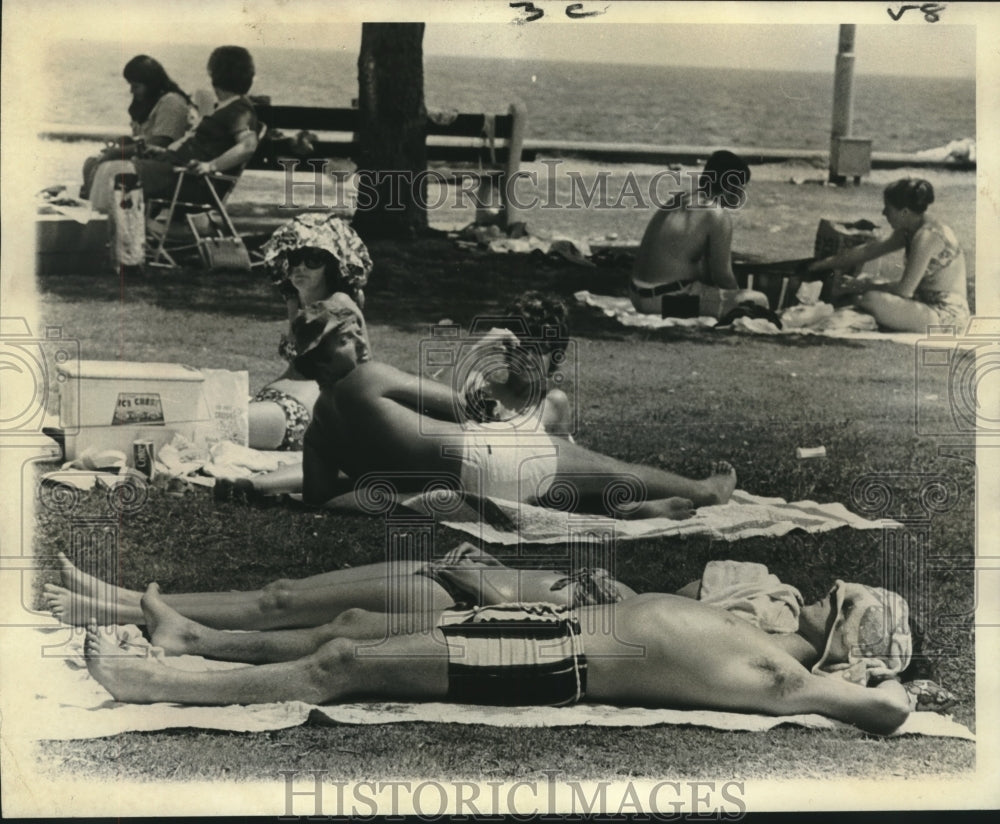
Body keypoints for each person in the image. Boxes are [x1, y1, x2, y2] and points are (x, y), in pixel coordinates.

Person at [78, 575, 913, 735]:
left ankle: (155, 682)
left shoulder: (789, 679)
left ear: (841, 632)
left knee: (344, 668)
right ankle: (190, 651)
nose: (817, 592)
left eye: (835, 601)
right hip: (549, 636)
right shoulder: (760, 630)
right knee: (351, 641)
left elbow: (888, 710)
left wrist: (870, 682)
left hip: (557, 662)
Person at [293, 296, 736, 518]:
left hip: (461, 492)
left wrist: (398, 490)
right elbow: (467, 408)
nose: (363, 341)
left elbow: (318, 496)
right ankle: (704, 490)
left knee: (565, 482)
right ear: (326, 355)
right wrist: (482, 349)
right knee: (606, 467)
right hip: (486, 457)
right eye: (348, 337)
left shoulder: (318, 428)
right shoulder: (369, 378)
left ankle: (635, 507)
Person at [806, 178, 970, 332]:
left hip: (946, 315)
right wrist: (822, 264)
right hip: (924, 303)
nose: (884, 213)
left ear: (904, 212)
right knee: (870, 284)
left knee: (872, 298)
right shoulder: (911, 230)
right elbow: (869, 250)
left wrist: (861, 286)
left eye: (888, 208)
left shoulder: (927, 236)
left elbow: (904, 290)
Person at [630, 150, 761, 316]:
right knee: (756, 301)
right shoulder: (716, 214)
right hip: (665, 304)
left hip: (636, 296)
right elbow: (723, 277)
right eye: (742, 188)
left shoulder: (680, 198)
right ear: (730, 186)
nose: (743, 195)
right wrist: (736, 301)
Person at [133, 46, 259, 201]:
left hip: (188, 181)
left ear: (215, 74)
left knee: (122, 172)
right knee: (120, 166)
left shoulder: (239, 109)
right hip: (179, 173)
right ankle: (129, 223)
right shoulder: (226, 107)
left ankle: (127, 224)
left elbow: (248, 146)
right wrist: (163, 152)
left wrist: (211, 166)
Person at [81, 55, 195, 204]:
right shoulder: (152, 102)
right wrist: (126, 142)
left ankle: (101, 212)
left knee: (103, 165)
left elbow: (161, 142)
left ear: (151, 84)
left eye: (136, 86)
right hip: (149, 161)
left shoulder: (171, 102)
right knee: (92, 162)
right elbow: (146, 139)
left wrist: (118, 152)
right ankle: (95, 209)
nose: (131, 91)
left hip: (166, 169)